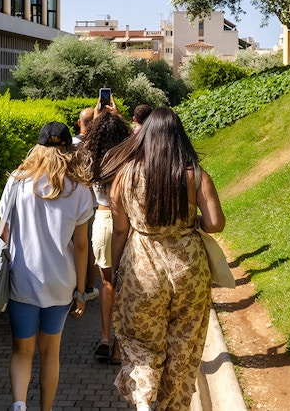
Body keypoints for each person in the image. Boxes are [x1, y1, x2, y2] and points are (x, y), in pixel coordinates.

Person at [100, 108, 226, 411]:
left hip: (141, 267)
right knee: (182, 350)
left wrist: (115, 271)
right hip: (189, 270)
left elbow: (119, 231)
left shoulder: (124, 176)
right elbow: (215, 224)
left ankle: (143, 402)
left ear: (144, 136)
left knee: (142, 346)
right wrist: (191, 220)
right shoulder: (195, 174)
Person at [0, 121, 94, 411]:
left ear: (37, 146)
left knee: (21, 351)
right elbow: (80, 246)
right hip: (61, 283)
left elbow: (4, 232)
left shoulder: (17, 180)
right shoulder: (78, 190)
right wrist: (81, 290)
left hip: (23, 280)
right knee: (50, 352)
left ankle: (18, 405)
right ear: (68, 148)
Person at [81, 107, 132, 364]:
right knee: (126, 283)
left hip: (102, 219)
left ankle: (104, 336)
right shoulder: (129, 155)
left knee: (107, 283)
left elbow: (84, 136)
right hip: (128, 219)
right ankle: (120, 346)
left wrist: (99, 116)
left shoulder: (93, 155)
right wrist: (118, 114)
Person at [72, 106, 100, 301]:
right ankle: (89, 288)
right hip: (93, 203)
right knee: (90, 247)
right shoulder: (100, 144)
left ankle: (73, 285)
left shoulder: (71, 145)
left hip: (70, 201)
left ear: (78, 123)